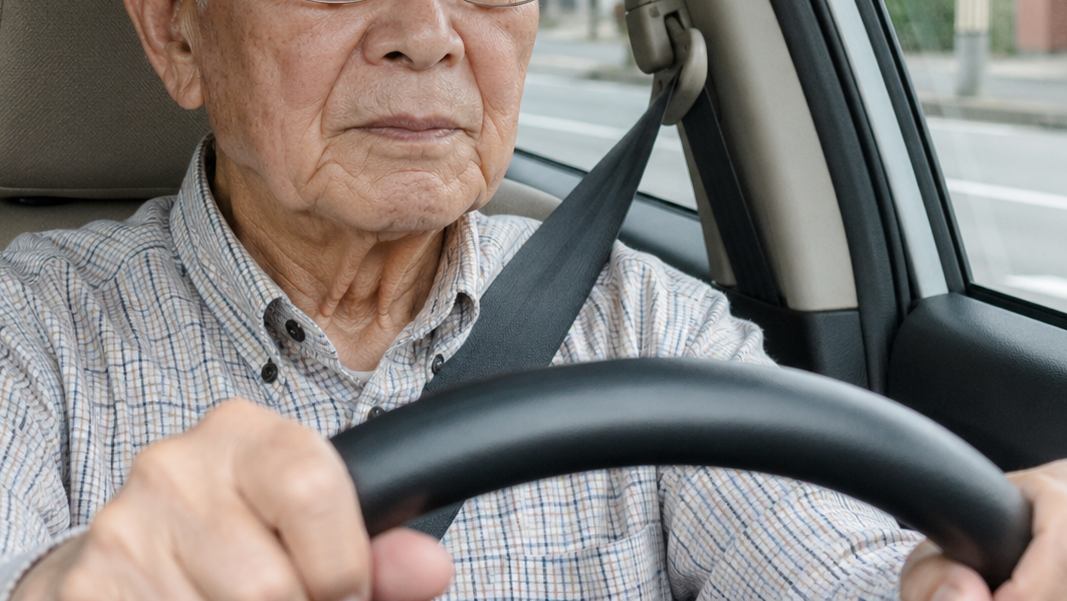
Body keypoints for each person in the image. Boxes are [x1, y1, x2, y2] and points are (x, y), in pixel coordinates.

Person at [0, 0, 1063, 599]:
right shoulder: (29, 329)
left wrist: (972, 578)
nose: (426, 31)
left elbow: (840, 569)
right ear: (176, 35)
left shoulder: (646, 320)